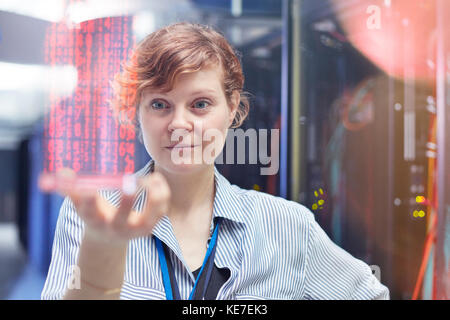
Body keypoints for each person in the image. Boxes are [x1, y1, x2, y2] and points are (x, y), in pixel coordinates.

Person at [41, 22, 389, 300]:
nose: (179, 124)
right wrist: (104, 253)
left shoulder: (287, 227)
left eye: (200, 104)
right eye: (160, 104)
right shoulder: (97, 217)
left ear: (233, 108)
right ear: (136, 113)